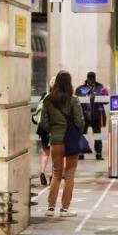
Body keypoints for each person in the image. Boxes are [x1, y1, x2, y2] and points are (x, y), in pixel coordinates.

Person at [39, 71, 85, 217]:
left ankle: (50, 208)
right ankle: (65, 209)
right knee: (69, 175)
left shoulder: (48, 100)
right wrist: (77, 132)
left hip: (56, 141)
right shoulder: (73, 100)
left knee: (56, 173)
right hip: (70, 140)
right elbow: (79, 122)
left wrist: (53, 130)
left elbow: (43, 123)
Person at [75, 72, 109, 160]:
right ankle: (81, 153)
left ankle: (98, 153)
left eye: (92, 78)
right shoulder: (80, 88)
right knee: (82, 134)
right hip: (84, 115)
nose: (91, 80)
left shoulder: (100, 87)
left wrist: (104, 94)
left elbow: (106, 101)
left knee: (98, 135)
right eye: (89, 78)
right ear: (87, 78)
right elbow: (76, 101)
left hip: (96, 115)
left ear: (94, 78)